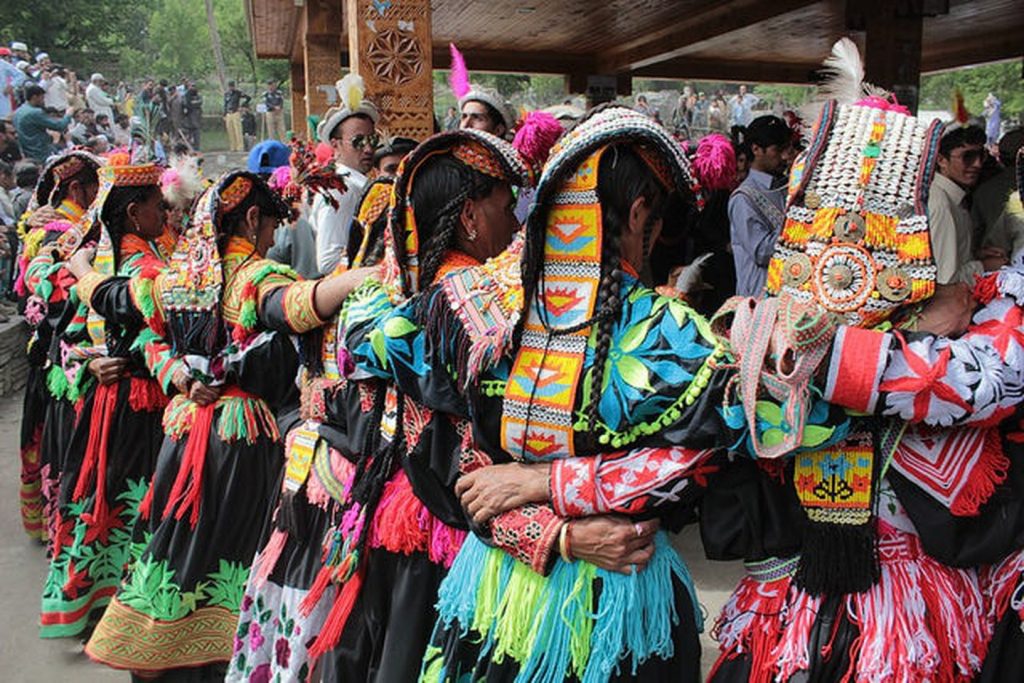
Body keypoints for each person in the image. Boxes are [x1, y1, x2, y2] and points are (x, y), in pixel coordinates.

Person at [351, 107, 720, 682]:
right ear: (641, 213)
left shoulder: (470, 310)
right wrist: (568, 521)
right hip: (620, 606)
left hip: (496, 593)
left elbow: (457, 472)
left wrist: (538, 493)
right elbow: (710, 460)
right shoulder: (669, 335)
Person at [78, 171, 374, 679]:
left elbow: (118, 307)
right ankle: (220, 657)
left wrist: (178, 376)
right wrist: (361, 278)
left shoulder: (171, 277)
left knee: (175, 542)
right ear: (253, 218)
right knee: (234, 548)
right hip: (239, 439)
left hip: (183, 429)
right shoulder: (251, 276)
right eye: (272, 226)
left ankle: (158, 647)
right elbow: (294, 308)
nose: (273, 239)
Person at [36, 161, 178, 639]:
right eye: (160, 205)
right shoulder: (142, 268)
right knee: (130, 499)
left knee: (115, 498)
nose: (167, 211)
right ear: (135, 214)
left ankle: (109, 602)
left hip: (122, 405)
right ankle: (128, 608)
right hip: (137, 407)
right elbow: (70, 336)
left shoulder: (111, 263)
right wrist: (90, 364)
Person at [14, 150, 102, 544]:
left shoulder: (68, 223)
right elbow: (42, 296)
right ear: (76, 188)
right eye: (97, 187)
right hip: (61, 351)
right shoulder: (59, 230)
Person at [311, 74, 378, 274]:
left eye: (372, 140)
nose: (368, 149)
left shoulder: (355, 185)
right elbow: (328, 261)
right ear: (335, 145)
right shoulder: (342, 189)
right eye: (358, 141)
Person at [728, 114, 793, 296]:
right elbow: (761, 251)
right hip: (758, 299)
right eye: (778, 150)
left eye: (787, 149)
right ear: (756, 149)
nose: (785, 156)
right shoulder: (743, 198)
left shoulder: (786, 187)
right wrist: (795, 223)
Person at [929, 125, 1001, 284]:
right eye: (967, 157)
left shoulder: (951, 197)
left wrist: (974, 254)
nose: (977, 164)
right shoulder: (941, 204)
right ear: (941, 160)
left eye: (981, 156)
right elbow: (945, 280)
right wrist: (983, 266)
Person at [13, 84, 72, 163]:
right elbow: (59, 126)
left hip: (28, 152)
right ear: (34, 97)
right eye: (42, 97)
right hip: (41, 152)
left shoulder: (18, 112)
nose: (43, 100)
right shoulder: (35, 112)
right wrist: (68, 115)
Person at [223, 80, 250, 152]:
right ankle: (233, 147)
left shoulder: (238, 93)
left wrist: (242, 106)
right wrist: (224, 114)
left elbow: (248, 98)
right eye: (229, 86)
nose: (231, 88)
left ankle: (240, 147)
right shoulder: (226, 94)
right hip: (229, 113)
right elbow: (225, 104)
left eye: (232, 86)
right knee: (230, 130)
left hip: (235, 112)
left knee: (237, 130)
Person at [182, 84, 203, 150]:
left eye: (194, 86)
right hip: (189, 117)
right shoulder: (186, 95)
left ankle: (197, 147)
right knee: (189, 133)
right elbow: (185, 104)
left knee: (196, 132)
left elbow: (199, 102)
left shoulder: (198, 96)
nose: (192, 88)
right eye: (191, 86)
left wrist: (192, 103)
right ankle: (190, 147)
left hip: (196, 116)